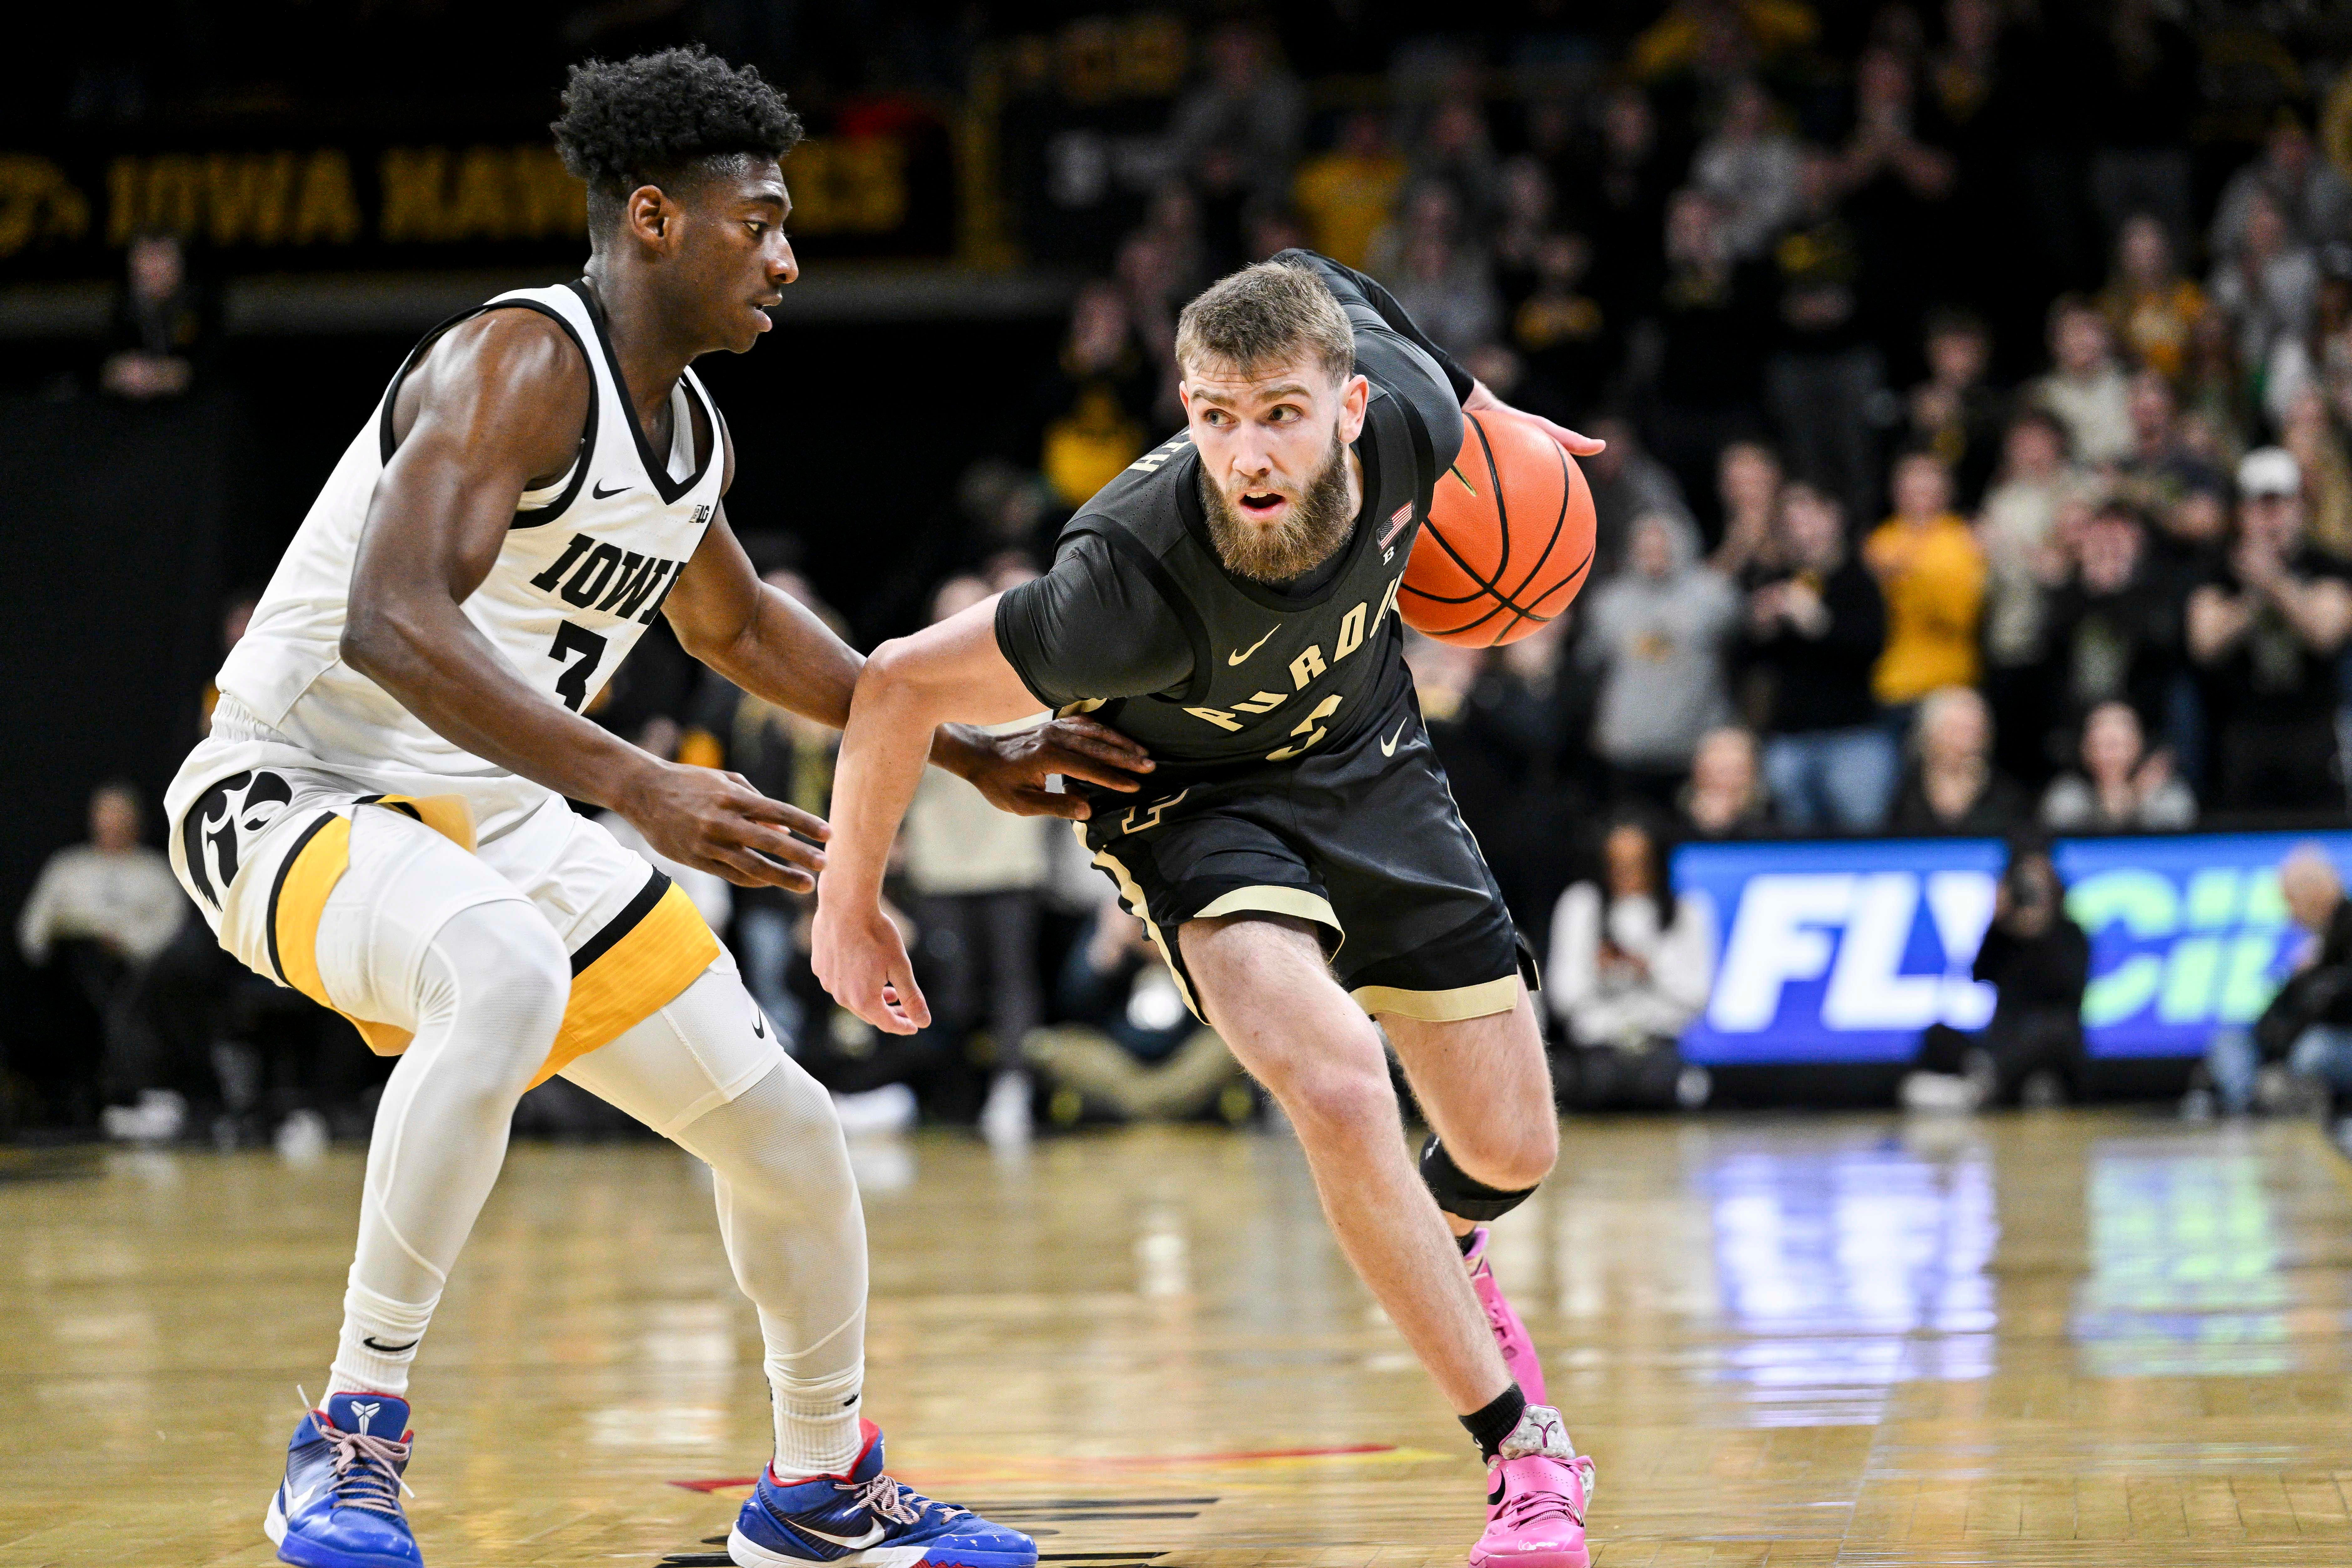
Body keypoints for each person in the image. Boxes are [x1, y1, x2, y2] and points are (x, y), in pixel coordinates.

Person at [159, 49, 1144, 1568]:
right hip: (294, 785)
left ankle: (819, 1490)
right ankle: (348, 1436)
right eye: (762, 221)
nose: (788, 258)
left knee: (791, 1135)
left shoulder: (686, 436)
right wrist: (630, 784)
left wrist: (968, 752)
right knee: (498, 968)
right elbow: (389, 618)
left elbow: (743, 634)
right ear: (655, 220)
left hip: (493, 811)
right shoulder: (519, 363)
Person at [809, 252, 1607, 1560]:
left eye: (1281, 412)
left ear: (1350, 408)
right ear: (1185, 407)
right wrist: (849, 906)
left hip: (1366, 761)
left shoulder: (1409, 408)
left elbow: (1319, 274)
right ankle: (1524, 1455)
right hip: (1191, 803)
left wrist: (1491, 408)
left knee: (1513, 1147)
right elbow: (893, 684)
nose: (1246, 450)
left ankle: (1440, 1235)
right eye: (1215, 416)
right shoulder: (1118, 584)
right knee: (1340, 1080)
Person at [901, 578, 1053, 1145]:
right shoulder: (913, 682)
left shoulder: (1027, 679)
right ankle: (948, 1093)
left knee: (1014, 981)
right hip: (940, 864)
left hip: (1012, 859)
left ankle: (1011, 1088)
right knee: (952, 989)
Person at [18, 781, 190, 1131]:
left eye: (120, 816)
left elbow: (173, 929)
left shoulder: (156, 871)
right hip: (69, 976)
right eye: (105, 816)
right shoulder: (66, 867)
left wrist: (126, 943)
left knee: (142, 992)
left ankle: (135, 1093)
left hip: (136, 972)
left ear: (136, 822)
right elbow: (33, 931)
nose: (111, 824)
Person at [2187, 447, 2352, 812]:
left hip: (2314, 726)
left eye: (2280, 505)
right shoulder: (2217, 569)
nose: (2271, 519)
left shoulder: (2327, 565)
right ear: (2243, 514)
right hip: (2244, 727)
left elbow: (2325, 632)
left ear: (2299, 509)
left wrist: (2272, 582)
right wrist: (2253, 598)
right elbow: (2204, 642)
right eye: (2260, 507)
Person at [1745, 482, 1895, 832]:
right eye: (1792, 521)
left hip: (1853, 737)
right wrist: (1760, 629)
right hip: (1790, 738)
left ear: (1834, 518)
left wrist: (1817, 621)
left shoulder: (1859, 580)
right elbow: (1754, 662)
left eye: (1809, 517)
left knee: (1862, 839)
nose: (1801, 529)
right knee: (1794, 843)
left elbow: (1872, 649)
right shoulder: (1778, 578)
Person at [1547, 814, 1716, 1110]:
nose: (1627, 874)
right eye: (1616, 865)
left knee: (1670, 1084)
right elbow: (1563, 997)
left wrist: (1649, 968)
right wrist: (1599, 972)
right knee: (1591, 1082)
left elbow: (1698, 995)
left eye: (1638, 864)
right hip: (1596, 1054)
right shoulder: (1581, 905)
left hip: (1660, 1050)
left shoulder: (1687, 910)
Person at [1903, 844, 2089, 1111]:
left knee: (2054, 1032)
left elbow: (2068, 989)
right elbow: (1978, 974)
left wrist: (2040, 930)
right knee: (1938, 1032)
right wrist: (1999, 922)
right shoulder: (2004, 933)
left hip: (2048, 1048)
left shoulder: (2070, 934)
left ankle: (1986, 1084)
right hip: (2002, 1043)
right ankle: (1988, 1081)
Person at [1023, 906, 1245, 1125]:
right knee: (1049, 1045)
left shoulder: (1196, 927)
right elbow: (1072, 1007)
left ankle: (1143, 1106)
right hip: (1119, 1063)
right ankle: (1161, 1106)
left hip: (1184, 1063)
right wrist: (1108, 948)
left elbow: (1230, 1003)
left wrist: (1175, 953)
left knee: (1234, 1043)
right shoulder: (1111, 929)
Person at [1580, 510, 1741, 807]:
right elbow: (1588, 668)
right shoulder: (1608, 603)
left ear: (1682, 543)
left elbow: (1743, 653)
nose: (1654, 553)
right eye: (1645, 545)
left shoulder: (1714, 595)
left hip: (1696, 748)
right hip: (1626, 748)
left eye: (1662, 544)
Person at [2198, 845, 2352, 1117]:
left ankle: (2268, 1102)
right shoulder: (2314, 944)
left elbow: (2334, 1002)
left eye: (2292, 898)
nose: (2289, 913)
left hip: (2334, 1039)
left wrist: (2315, 977)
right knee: (2230, 1037)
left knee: (2313, 1051)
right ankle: (2249, 1108)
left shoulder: (2345, 929)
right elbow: (2280, 1014)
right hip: (2293, 1041)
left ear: (2316, 889)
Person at [1866, 449, 1986, 715]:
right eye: (1911, 486)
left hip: (1949, 684)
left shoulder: (1962, 540)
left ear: (1946, 491)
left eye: (1927, 486)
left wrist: (1910, 577)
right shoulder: (1880, 541)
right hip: (1892, 683)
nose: (1919, 495)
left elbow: (1962, 614)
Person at [1888, 686, 2028, 835]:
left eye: (1976, 733)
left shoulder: (2007, 796)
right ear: (1930, 736)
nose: (1969, 744)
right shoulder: (1905, 793)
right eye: (1956, 732)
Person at [2040, 700, 2195, 832]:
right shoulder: (2066, 795)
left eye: (2113, 746)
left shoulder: (2167, 793)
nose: (2104, 756)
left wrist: (2135, 799)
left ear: (2137, 746)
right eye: (2095, 745)